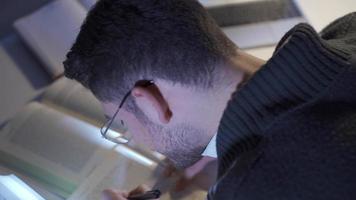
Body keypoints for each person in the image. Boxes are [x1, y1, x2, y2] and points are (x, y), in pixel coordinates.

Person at [63, 0, 356, 199]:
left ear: (150, 101)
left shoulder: (252, 190)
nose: (138, 141)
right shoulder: (347, 28)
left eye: (122, 124)